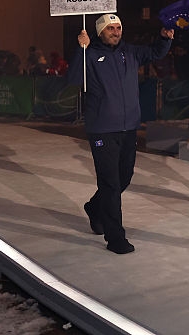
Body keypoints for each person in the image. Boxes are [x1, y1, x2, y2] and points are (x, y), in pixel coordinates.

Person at [71, 14, 173, 254]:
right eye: (110, 28)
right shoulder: (91, 53)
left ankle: (94, 208)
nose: (116, 32)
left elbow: (155, 53)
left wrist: (164, 39)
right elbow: (75, 78)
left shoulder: (130, 52)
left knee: (124, 177)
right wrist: (81, 50)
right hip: (102, 129)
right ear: (100, 32)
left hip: (128, 127)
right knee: (110, 183)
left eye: (118, 27)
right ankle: (115, 237)